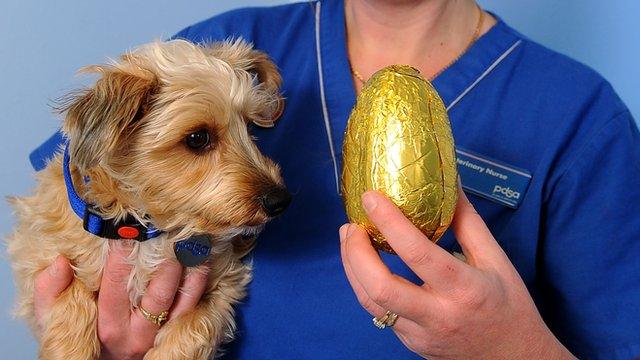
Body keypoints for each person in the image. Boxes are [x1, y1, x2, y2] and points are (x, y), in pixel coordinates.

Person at [29, 0, 640, 358]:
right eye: (201, 141)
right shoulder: (218, 52)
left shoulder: (578, 115)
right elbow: (72, 203)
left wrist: (515, 350)